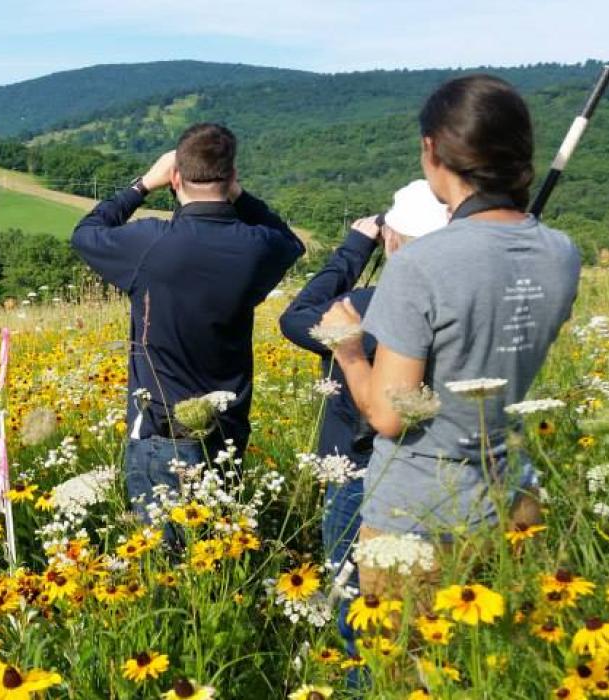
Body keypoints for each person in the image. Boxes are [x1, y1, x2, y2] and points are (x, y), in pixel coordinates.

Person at [321, 74, 581, 596]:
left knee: (402, 671)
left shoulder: (420, 263)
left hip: (418, 513)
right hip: (513, 498)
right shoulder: (561, 252)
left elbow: (392, 416)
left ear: (431, 149)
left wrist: (349, 351)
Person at [70, 122, 304, 525]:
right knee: (219, 548)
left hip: (160, 428)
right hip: (227, 426)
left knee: (164, 560)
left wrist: (141, 185)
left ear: (175, 177)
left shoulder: (151, 242)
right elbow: (290, 241)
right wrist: (241, 198)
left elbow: (86, 233)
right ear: (231, 177)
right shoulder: (257, 247)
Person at [278, 179, 448, 654]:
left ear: (392, 240)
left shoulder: (372, 307)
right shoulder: (461, 303)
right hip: (438, 475)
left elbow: (297, 317)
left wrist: (354, 247)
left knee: (363, 616)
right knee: (424, 613)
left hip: (359, 473)